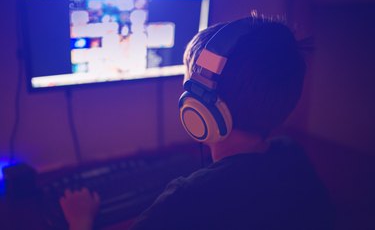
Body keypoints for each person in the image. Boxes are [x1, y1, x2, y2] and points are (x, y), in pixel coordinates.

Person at [59, 15, 334, 230]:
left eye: (188, 81)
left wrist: (81, 220)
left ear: (199, 108)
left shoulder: (186, 199)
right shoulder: (293, 155)